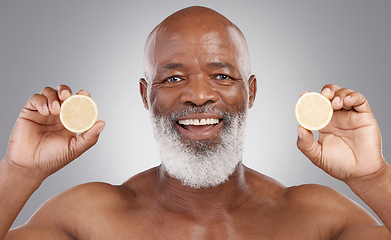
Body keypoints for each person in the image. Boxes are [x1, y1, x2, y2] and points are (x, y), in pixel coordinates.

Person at [1, 6, 390, 239]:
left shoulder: (319, 219)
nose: (199, 95)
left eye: (222, 76)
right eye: (172, 78)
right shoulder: (86, 218)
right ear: (145, 95)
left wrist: (374, 179)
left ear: (250, 92)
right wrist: (19, 172)